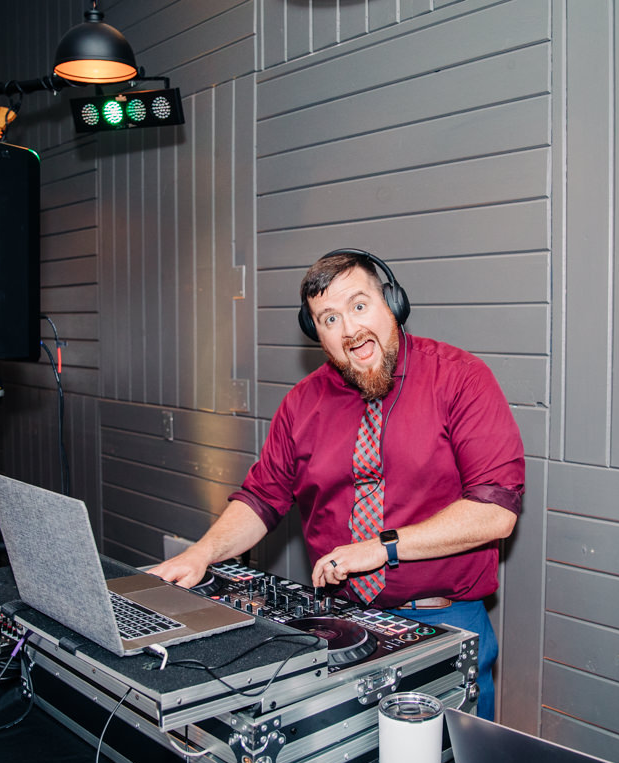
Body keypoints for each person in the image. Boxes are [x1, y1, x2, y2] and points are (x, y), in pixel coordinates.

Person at [148, 249, 524, 720]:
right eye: (329, 318)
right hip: (339, 623)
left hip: (442, 621)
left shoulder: (461, 379)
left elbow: (495, 511)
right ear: (315, 334)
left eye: (360, 306)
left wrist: (381, 547)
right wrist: (200, 553)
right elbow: (262, 498)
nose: (350, 330)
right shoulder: (301, 404)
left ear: (393, 304)